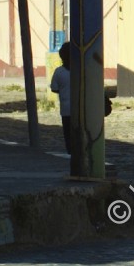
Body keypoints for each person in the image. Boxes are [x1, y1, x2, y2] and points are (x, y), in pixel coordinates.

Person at [51, 42, 80, 175]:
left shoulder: (59, 72)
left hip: (66, 110)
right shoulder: (80, 70)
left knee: (68, 135)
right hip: (80, 109)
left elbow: (54, 89)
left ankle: (71, 154)